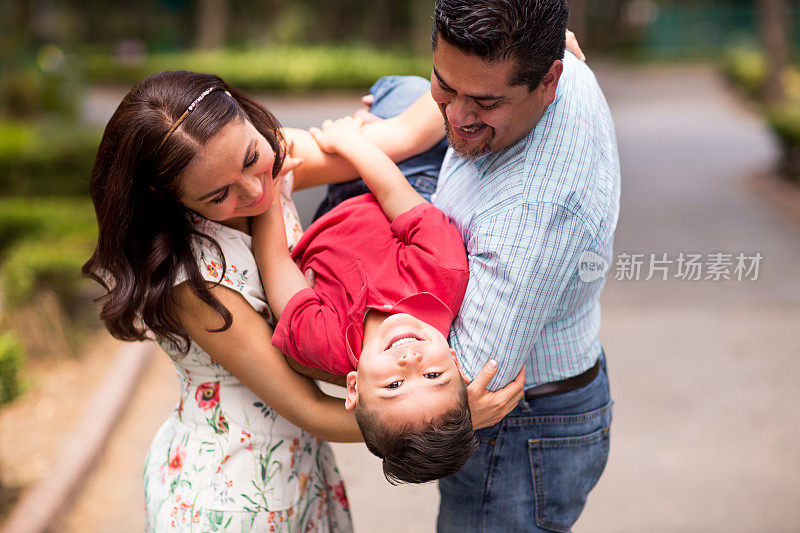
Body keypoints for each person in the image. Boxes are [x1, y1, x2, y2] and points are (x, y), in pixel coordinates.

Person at [82, 69, 524, 531]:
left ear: (245, 118)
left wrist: (523, 59)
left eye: (253, 158)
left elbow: (409, 133)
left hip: (297, 465)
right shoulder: (193, 281)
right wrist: (443, 418)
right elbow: (310, 407)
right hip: (233, 493)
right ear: (165, 194)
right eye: (218, 196)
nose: (255, 191)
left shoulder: (254, 156)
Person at [311, 1, 618, 530]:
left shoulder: (535, 218)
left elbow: (454, 385)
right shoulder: (533, 46)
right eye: (444, 87)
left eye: (484, 102)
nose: (455, 115)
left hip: (518, 434)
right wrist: (401, 129)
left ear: (549, 80)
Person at [251, 115, 486, 485]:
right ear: (455, 360)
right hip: (396, 181)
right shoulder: (443, 274)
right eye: (434, 374)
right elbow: (395, 192)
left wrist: (269, 188)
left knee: (274, 148)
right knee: (406, 104)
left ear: (354, 388)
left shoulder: (320, 343)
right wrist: (350, 140)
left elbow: (276, 263)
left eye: (394, 386)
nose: (411, 361)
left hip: (326, 219)